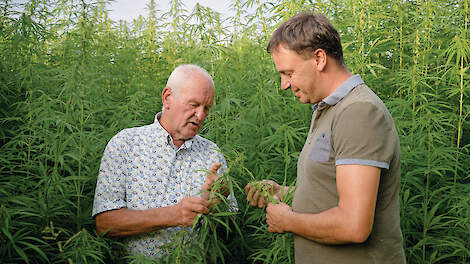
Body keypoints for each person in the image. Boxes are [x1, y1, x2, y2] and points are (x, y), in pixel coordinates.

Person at [245, 12, 406, 263]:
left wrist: (288, 221)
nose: (283, 85)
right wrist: (284, 193)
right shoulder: (329, 110)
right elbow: (330, 190)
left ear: (319, 59)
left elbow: (354, 225)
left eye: (288, 73)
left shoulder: (359, 112)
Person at [92, 64, 236, 258]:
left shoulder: (212, 153)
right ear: (167, 97)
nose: (201, 115)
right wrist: (174, 215)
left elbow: (229, 233)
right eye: (194, 105)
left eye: (206, 108)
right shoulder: (126, 144)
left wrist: (218, 207)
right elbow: (105, 223)